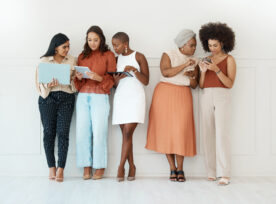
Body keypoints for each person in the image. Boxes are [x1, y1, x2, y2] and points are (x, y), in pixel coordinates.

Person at [146, 29, 198, 182]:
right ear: (182, 45)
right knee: (166, 132)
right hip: (165, 94)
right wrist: (184, 65)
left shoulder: (194, 60)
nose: (194, 48)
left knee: (181, 131)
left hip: (183, 95)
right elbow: (166, 73)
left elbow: (194, 85)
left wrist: (193, 76)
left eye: (195, 46)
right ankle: (172, 168)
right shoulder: (168, 54)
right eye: (192, 45)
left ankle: (181, 168)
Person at [74, 25, 116, 180]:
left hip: (100, 97)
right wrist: (78, 78)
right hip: (83, 97)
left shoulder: (108, 55)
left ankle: (99, 166)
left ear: (101, 39)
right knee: (82, 132)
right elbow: (78, 83)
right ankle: (86, 166)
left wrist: (97, 77)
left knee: (99, 132)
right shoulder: (82, 56)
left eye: (95, 40)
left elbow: (112, 79)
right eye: (89, 39)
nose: (92, 43)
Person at [198, 22, 236, 185]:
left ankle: (225, 173)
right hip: (206, 94)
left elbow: (229, 83)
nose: (212, 48)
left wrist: (216, 70)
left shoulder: (229, 59)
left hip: (222, 95)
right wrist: (204, 72)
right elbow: (201, 85)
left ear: (223, 43)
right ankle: (211, 171)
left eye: (215, 45)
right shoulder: (206, 59)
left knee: (222, 134)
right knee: (207, 134)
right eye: (209, 45)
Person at [36, 33, 76, 182]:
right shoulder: (44, 61)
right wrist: (48, 84)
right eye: (64, 46)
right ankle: (51, 167)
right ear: (56, 47)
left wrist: (74, 78)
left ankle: (61, 169)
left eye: (68, 46)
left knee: (63, 132)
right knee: (48, 132)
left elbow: (74, 85)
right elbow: (39, 84)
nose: (67, 49)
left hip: (66, 97)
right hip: (48, 99)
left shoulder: (72, 60)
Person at [111, 32, 149, 182]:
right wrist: (116, 80)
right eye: (113, 45)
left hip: (136, 98)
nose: (114, 48)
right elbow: (114, 86)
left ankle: (120, 167)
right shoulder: (116, 59)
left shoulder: (139, 56)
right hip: (121, 98)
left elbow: (146, 81)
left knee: (127, 133)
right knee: (127, 136)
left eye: (116, 45)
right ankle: (132, 166)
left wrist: (134, 70)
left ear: (125, 44)